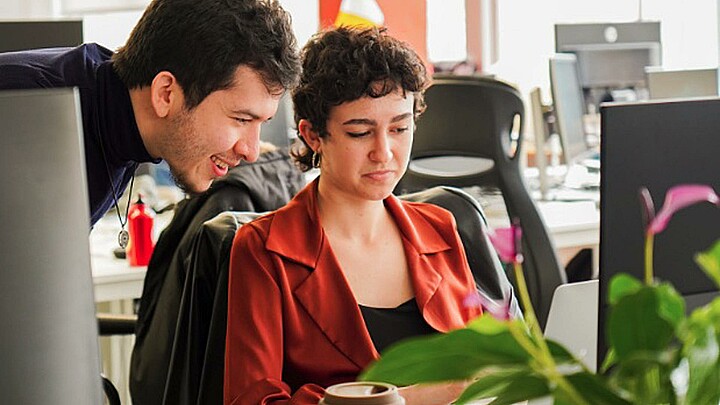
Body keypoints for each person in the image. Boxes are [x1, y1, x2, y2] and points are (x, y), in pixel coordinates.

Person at [224, 26, 483, 405]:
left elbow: (483, 362)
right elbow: (252, 401)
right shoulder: (266, 251)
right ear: (313, 136)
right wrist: (408, 399)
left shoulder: (439, 228)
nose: (384, 152)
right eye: (360, 132)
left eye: (400, 128)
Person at [0, 0, 301, 229]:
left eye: (261, 123)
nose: (250, 152)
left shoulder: (123, 124)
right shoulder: (23, 106)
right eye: (241, 119)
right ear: (166, 94)